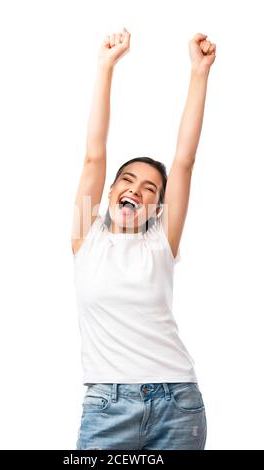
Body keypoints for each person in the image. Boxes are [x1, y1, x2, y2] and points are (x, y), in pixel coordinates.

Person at [71, 27, 216, 450]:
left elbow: (184, 162)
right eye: (127, 181)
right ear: (111, 191)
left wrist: (199, 73)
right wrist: (106, 67)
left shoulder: (161, 243)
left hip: (178, 403)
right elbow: (93, 154)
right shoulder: (87, 234)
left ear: (157, 207)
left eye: (149, 188)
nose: (135, 190)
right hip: (106, 407)